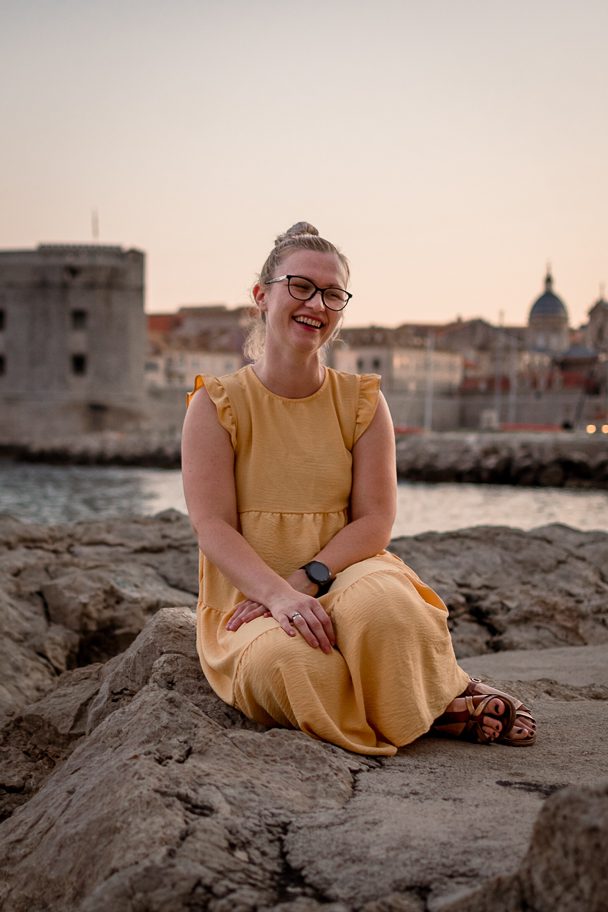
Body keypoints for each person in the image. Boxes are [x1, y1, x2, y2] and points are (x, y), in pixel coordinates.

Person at [181, 222, 536, 756]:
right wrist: (277, 594)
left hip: (345, 570)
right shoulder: (217, 404)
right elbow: (212, 526)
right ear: (262, 295)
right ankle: (440, 705)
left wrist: (307, 579)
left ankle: (430, 698)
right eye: (300, 286)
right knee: (292, 665)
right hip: (250, 596)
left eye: (332, 294)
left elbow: (375, 521)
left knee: (387, 611)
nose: (316, 304)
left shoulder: (363, 402)